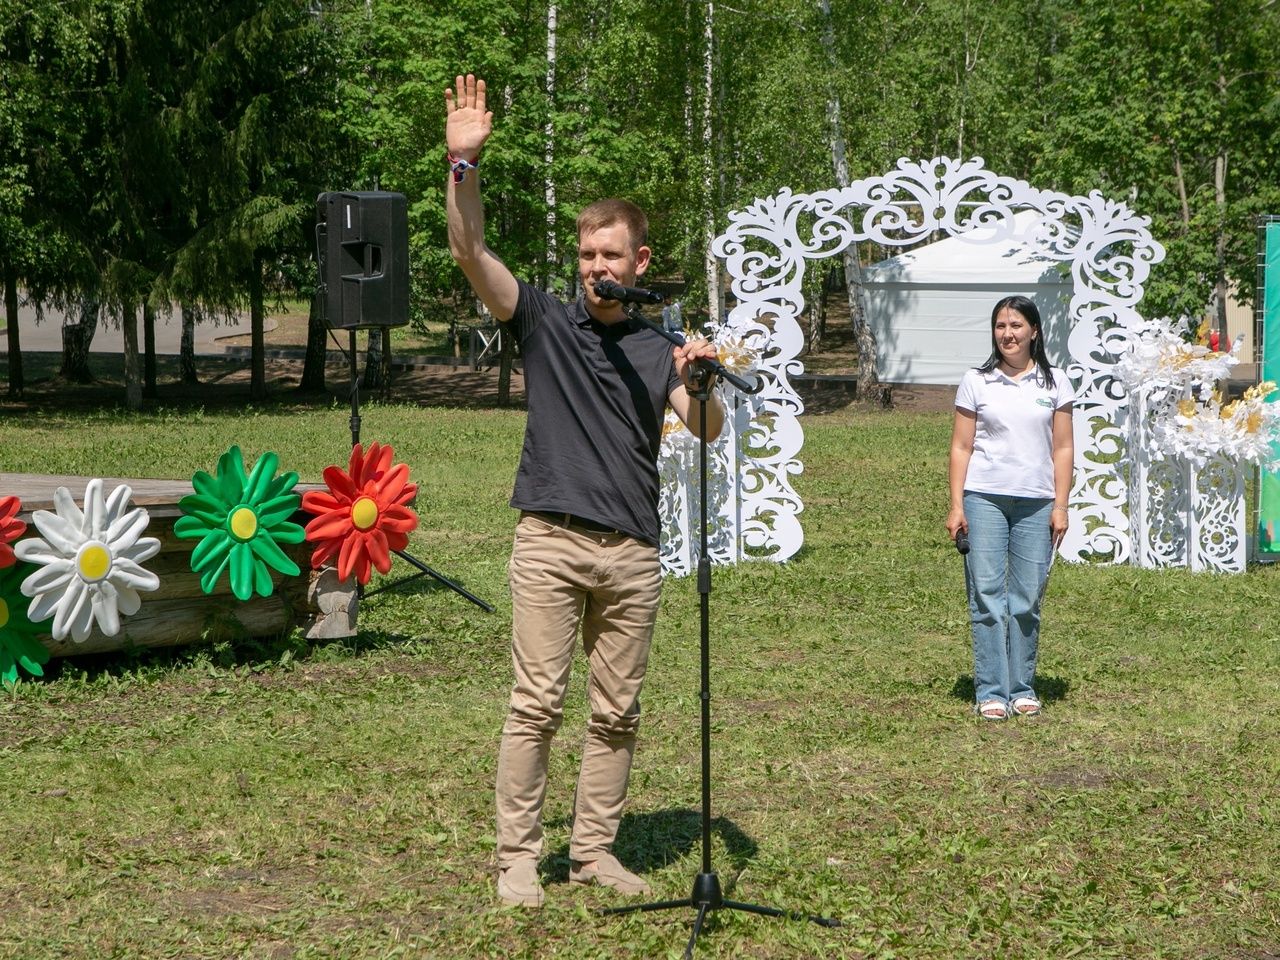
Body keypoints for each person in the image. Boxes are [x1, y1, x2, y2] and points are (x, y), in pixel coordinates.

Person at [444, 74, 725, 908]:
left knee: (617, 713)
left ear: (640, 262)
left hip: (633, 550)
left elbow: (704, 431)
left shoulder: (656, 345)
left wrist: (703, 383)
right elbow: (470, 252)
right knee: (536, 704)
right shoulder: (540, 320)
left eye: (611, 256)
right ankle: (518, 858)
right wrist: (464, 167)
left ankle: (594, 851)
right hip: (552, 539)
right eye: (586, 256)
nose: (596, 268)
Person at [945, 295, 1074, 722]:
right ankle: (991, 691)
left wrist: (1061, 505)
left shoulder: (1055, 383)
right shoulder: (977, 381)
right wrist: (956, 505)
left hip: (1037, 504)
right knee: (986, 597)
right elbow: (961, 447)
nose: (1008, 334)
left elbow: (1063, 448)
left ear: (1034, 331)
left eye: (1016, 325)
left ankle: (1021, 688)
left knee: (1026, 599)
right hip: (983, 499)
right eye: (1001, 326)